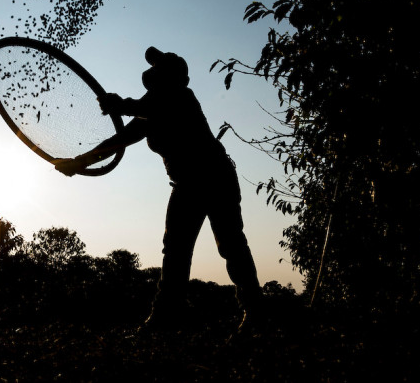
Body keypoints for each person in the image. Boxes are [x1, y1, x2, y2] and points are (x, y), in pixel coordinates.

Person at [54, 47, 263, 333]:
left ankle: (256, 314)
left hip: (215, 178)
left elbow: (148, 107)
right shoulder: (148, 113)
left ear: (173, 77)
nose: (152, 72)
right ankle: (165, 318)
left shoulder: (180, 98)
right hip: (187, 185)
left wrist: (121, 105)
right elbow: (119, 140)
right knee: (175, 250)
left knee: (231, 245)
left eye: (159, 67)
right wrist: (80, 162)